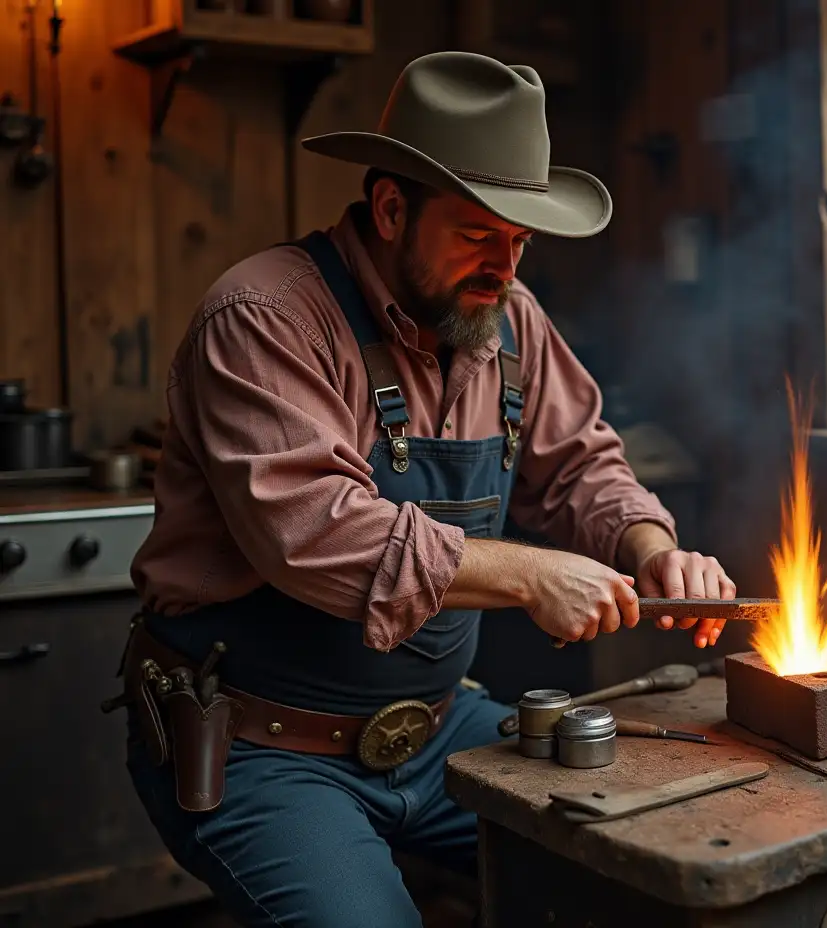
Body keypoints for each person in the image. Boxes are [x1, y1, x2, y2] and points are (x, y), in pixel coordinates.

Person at [116, 51, 737, 927]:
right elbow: (317, 534)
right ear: (391, 207)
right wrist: (530, 575)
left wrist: (653, 548)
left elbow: (583, 464)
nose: (506, 266)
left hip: (437, 724)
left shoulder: (507, 316)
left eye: (521, 240)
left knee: (640, 873)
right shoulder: (263, 317)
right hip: (260, 743)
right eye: (480, 232)